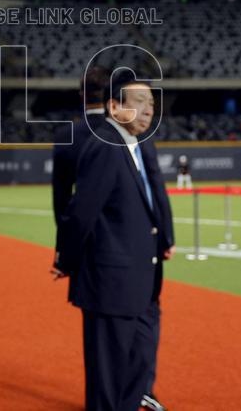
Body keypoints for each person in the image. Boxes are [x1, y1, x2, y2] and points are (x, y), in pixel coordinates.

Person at [55, 70, 175, 411]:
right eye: (139, 102)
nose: (149, 109)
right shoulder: (106, 145)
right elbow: (81, 212)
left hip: (140, 280)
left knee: (134, 372)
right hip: (111, 282)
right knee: (108, 382)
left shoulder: (131, 143)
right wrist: (68, 262)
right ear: (114, 106)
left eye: (152, 103)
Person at [52, 66, 109, 225]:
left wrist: (63, 241)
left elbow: (61, 195)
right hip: (123, 229)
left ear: (82, 96)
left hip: (82, 224)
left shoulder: (65, 135)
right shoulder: (125, 131)